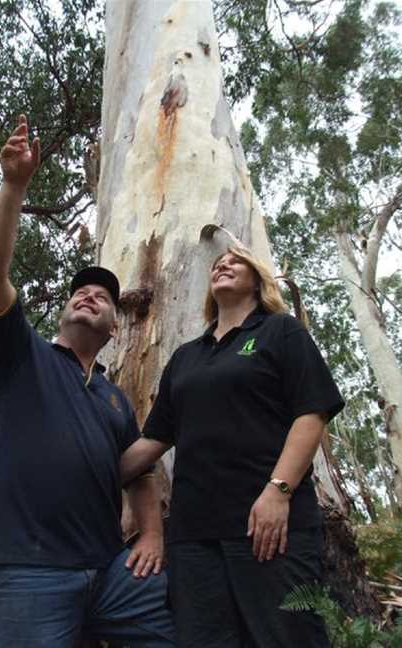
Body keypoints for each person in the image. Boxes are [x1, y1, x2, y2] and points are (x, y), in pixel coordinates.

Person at [0, 114, 175, 647]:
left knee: (192, 615)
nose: (90, 296)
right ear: (64, 311)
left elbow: (140, 474)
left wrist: (152, 533)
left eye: (104, 298)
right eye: (80, 293)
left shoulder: (114, 399)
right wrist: (14, 185)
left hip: (112, 574)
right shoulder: (24, 356)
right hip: (28, 574)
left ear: (115, 327)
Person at [120, 246, 345, 647]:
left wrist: (279, 491)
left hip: (268, 528)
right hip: (194, 538)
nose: (223, 264)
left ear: (258, 279)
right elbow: (153, 440)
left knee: (286, 637)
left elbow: (312, 413)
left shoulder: (281, 331)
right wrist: (88, 472)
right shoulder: (187, 357)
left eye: (235, 260)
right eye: (217, 262)